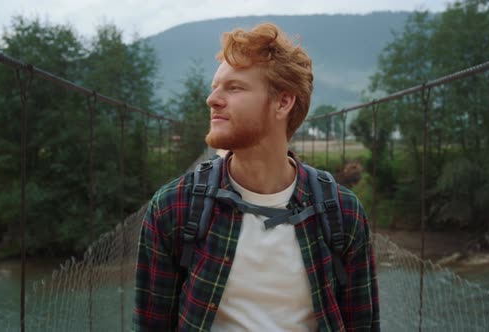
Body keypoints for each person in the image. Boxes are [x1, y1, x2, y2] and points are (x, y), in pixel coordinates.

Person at [133, 22, 379, 331]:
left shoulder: (341, 213)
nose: (212, 100)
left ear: (283, 102)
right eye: (215, 87)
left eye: (234, 87)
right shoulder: (175, 208)